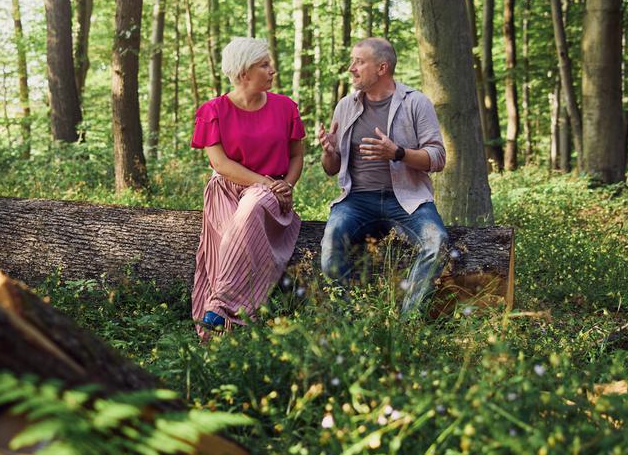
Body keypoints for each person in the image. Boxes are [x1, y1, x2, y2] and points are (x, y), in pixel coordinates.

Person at [317, 37, 450, 316]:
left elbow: (438, 158)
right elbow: (331, 168)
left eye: (359, 62)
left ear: (382, 67)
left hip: (406, 201)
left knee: (436, 242)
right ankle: (355, 321)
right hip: (356, 201)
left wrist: (398, 153)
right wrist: (329, 151)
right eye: (352, 61)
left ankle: (406, 321)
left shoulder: (416, 103)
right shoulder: (346, 106)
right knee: (330, 253)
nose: (352, 68)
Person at [191, 37, 306, 335]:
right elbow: (221, 164)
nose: (272, 70)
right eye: (264, 65)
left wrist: (286, 186)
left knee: (254, 203)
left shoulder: (286, 108)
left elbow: (296, 156)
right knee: (222, 252)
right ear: (244, 73)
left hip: (268, 195)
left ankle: (219, 306)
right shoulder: (212, 110)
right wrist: (266, 182)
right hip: (226, 191)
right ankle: (219, 338)